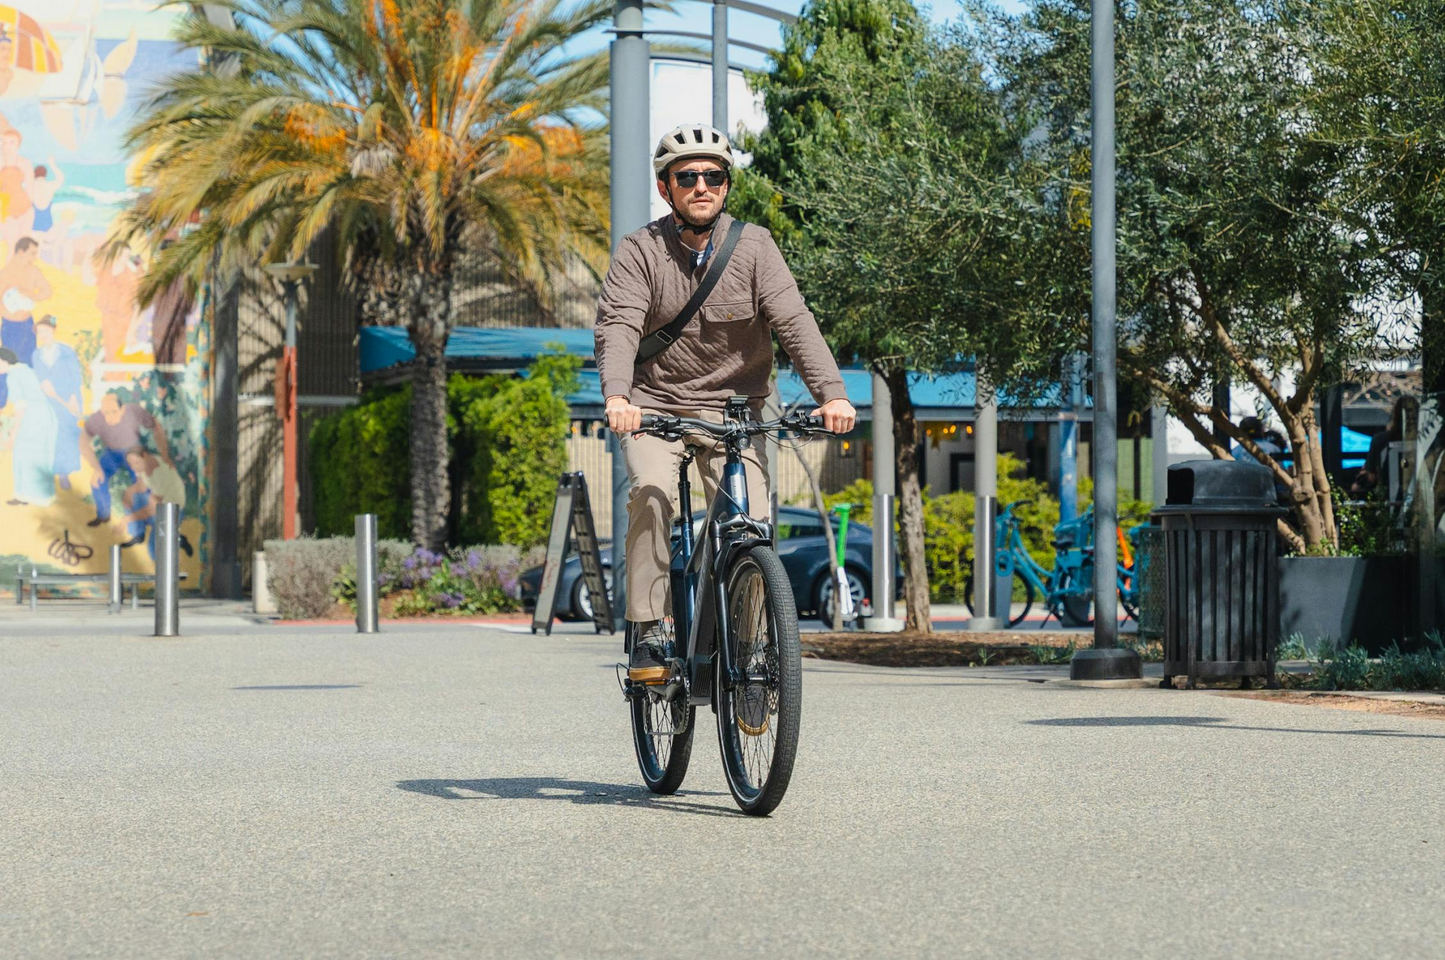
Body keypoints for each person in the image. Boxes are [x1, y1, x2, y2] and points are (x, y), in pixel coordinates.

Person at [594, 123, 856, 683]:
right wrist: (618, 396)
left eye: (713, 176)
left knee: (750, 523)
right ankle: (649, 628)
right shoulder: (641, 250)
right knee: (652, 491)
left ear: (727, 185)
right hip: (655, 406)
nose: (701, 186)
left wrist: (831, 394)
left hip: (736, 411)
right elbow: (618, 326)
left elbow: (794, 321)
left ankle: (751, 649)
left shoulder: (755, 246)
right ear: (666, 188)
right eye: (687, 177)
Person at [79, 392, 172, 527]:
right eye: (106, 413)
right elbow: (83, 441)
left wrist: (165, 454)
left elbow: (156, 426)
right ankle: (103, 515)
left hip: (134, 451)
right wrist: (96, 468)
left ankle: (150, 517)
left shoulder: (134, 411)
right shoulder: (96, 419)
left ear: (122, 409)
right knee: (97, 480)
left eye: (114, 412)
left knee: (143, 483)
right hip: (111, 453)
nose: (109, 417)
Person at [0, 347, 58, 505]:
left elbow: (21, 408)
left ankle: (25, 495)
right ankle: (31, 495)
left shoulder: (14, 375)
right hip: (44, 416)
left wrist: (12, 435)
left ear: (4, 361)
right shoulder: (25, 369)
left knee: (23, 454)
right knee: (38, 456)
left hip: (33, 418)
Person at [31, 315, 83, 489]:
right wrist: (44, 383)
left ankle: (64, 472)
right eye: (39, 332)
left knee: (64, 435)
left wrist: (74, 397)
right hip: (47, 400)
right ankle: (46, 473)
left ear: (53, 330)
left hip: (68, 399)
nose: (43, 335)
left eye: (45, 331)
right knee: (46, 434)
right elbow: (40, 375)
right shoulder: (37, 354)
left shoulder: (66, 351)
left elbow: (75, 375)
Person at [115, 446, 193, 558]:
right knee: (134, 497)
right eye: (131, 464)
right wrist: (128, 493)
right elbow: (140, 486)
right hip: (159, 506)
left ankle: (178, 539)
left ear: (145, 456)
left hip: (172, 510)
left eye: (136, 463)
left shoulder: (160, 473)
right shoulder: (145, 464)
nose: (133, 467)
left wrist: (128, 519)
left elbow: (152, 508)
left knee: (154, 550)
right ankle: (138, 533)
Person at [0, 237, 49, 407]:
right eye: (32, 253)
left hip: (27, 324)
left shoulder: (33, 272)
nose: (35, 257)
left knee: (29, 363)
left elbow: (47, 291)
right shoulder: (5, 273)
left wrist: (30, 294)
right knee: (6, 365)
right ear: (21, 252)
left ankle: (30, 402)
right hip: (10, 326)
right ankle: (1, 404)